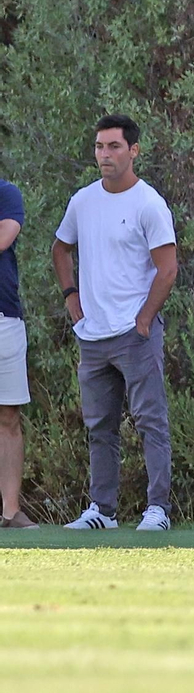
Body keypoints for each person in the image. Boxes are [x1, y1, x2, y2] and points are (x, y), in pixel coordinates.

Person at [52, 115, 179, 532]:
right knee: (99, 427)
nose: (104, 155)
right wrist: (73, 301)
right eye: (99, 147)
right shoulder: (83, 201)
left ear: (133, 151)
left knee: (150, 421)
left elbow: (168, 268)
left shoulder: (148, 203)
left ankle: (157, 509)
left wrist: (144, 319)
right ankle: (101, 511)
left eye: (114, 147)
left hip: (134, 334)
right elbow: (60, 249)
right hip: (93, 336)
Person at [0, 173, 34, 529]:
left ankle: (10, 511)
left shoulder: (6, 192)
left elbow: (4, 236)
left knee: (8, 416)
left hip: (3, 318)